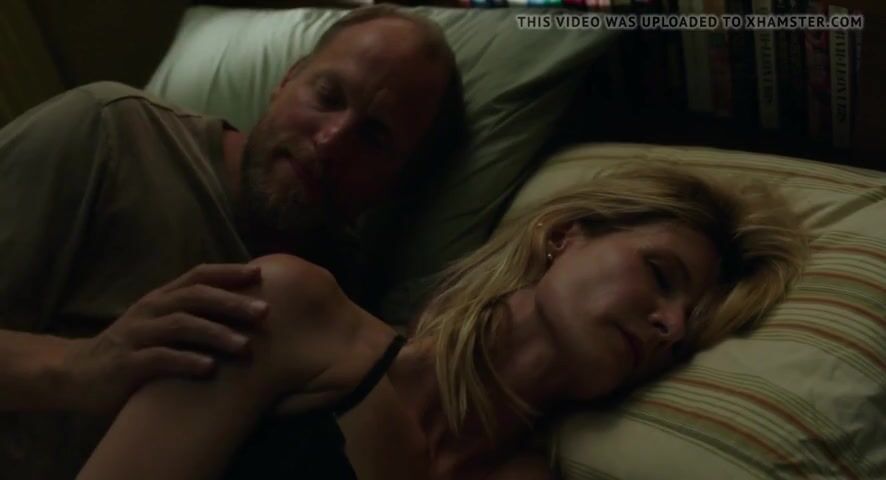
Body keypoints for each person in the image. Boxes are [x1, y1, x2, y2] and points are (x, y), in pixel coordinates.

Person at [76, 166, 808, 480]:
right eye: (660, 276)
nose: (670, 326)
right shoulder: (296, 312)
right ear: (563, 236)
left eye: (687, 330)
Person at [0, 5, 466, 479]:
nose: (330, 142)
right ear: (287, 80)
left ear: (395, 185)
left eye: (374, 136)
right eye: (327, 96)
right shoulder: (111, 133)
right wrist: (75, 368)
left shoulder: (340, 307)